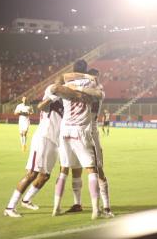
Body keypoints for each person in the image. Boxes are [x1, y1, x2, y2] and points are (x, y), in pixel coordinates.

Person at [51, 59, 104, 220]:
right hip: (81, 130)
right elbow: (99, 95)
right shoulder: (91, 84)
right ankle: (95, 210)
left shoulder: (66, 85)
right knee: (91, 170)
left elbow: (53, 88)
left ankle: (56, 208)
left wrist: (71, 91)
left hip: (65, 130)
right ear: (86, 70)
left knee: (63, 170)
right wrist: (81, 92)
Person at [4, 85, 64, 217]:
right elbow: (40, 106)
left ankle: (26, 200)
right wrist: (53, 97)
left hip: (55, 143)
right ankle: (10, 207)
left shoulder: (65, 104)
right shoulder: (52, 100)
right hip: (43, 139)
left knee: (45, 176)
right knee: (32, 173)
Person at [65, 68, 114, 218]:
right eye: (92, 77)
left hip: (90, 131)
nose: (94, 79)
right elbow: (65, 78)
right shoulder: (86, 86)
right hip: (76, 131)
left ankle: (105, 207)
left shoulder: (97, 89)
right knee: (75, 168)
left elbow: (97, 94)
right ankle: (77, 203)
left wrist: (77, 87)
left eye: (95, 77)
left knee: (98, 169)